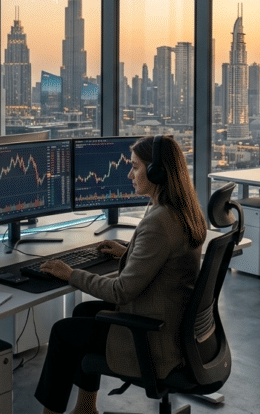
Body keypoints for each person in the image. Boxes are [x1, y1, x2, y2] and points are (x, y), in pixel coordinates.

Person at [33, 135, 207, 414]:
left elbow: (121, 292)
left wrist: (70, 273)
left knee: (63, 333)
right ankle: (86, 408)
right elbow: (163, 256)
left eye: (136, 167)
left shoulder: (159, 222)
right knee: (83, 312)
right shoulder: (182, 210)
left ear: (157, 172)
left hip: (154, 341)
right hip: (172, 325)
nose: (129, 174)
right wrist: (128, 250)